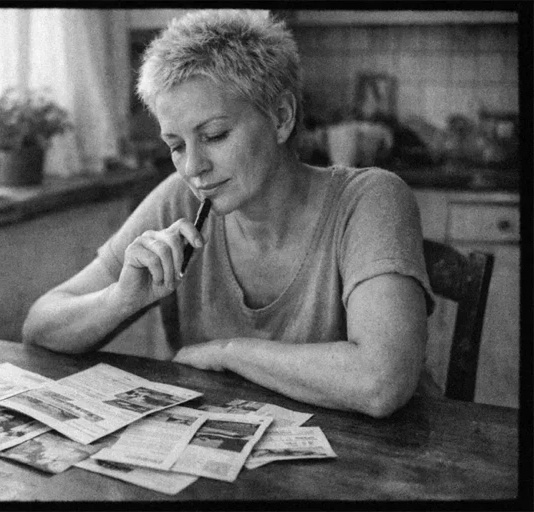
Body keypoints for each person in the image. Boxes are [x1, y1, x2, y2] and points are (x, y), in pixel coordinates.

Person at [23, 10, 434, 418]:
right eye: (177, 145)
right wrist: (119, 300)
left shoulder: (370, 199)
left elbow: (382, 380)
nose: (192, 167)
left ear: (281, 118)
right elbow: (41, 325)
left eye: (215, 135)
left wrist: (229, 352)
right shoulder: (179, 201)